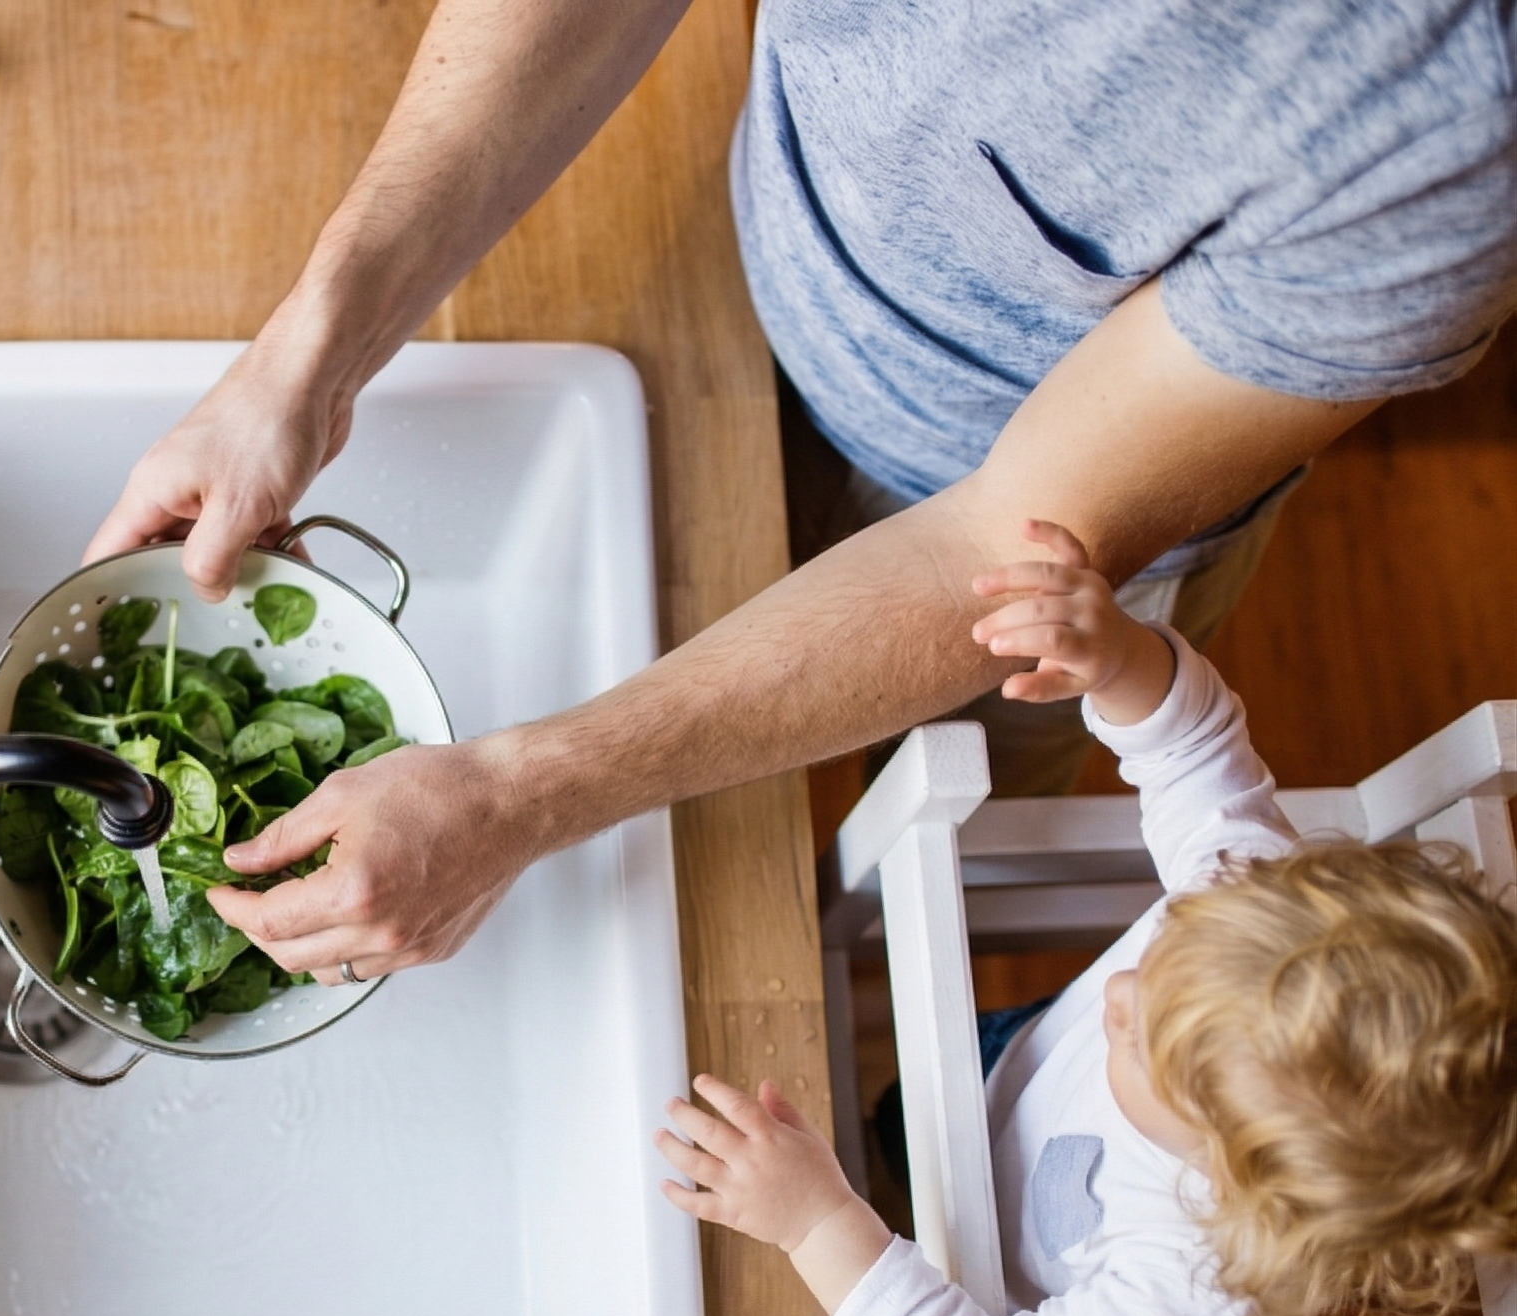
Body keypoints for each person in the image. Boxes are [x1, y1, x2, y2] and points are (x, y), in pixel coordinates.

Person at [84, 0, 1517, 988]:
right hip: (742, 270)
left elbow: (1002, 543)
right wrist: (303, 363)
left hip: (1015, 530)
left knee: (947, 811)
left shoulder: (1446, 124)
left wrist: (517, 795)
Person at [653, 521, 1517, 1316]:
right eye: (1169, 950)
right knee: (905, 1113)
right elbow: (1191, 749)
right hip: (1017, 1069)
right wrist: (1120, 661)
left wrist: (819, 1221)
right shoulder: (1254, 905)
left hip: (988, 1286)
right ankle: (901, 1131)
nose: (1118, 994)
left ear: (1242, 1179)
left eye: (1147, 1040)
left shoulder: (1208, 1286)